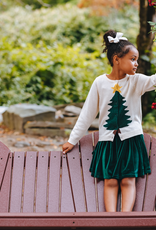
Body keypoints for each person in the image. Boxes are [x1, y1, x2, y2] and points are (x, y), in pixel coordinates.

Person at [62, 30, 154, 212]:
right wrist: (72, 140)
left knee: (128, 180)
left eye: (136, 59)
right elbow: (87, 115)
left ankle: (125, 221)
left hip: (132, 141)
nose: (136, 64)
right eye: (132, 59)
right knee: (110, 181)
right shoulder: (99, 83)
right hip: (107, 142)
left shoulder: (137, 81)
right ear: (116, 59)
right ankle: (110, 220)